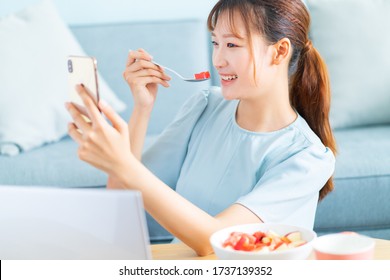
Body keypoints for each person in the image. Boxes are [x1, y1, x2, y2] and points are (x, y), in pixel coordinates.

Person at [65, 0, 336, 256]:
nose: (218, 59)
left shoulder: (307, 158)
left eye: (231, 44)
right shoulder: (205, 106)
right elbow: (123, 200)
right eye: (215, 43)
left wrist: (122, 163)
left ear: (279, 51)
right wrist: (142, 109)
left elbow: (216, 240)